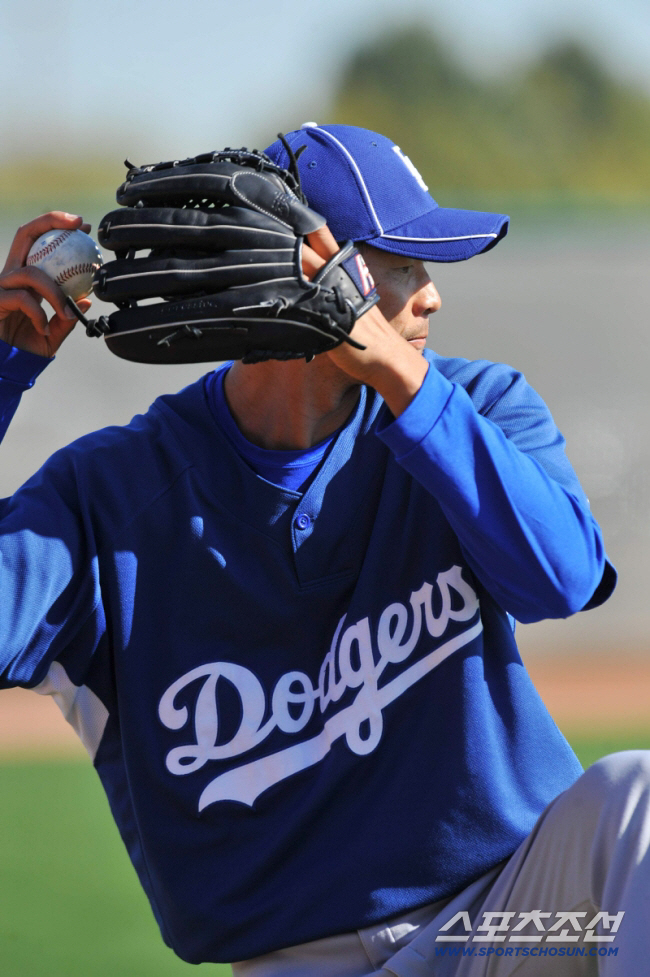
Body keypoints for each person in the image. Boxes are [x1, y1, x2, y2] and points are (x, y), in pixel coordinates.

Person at [0, 123, 647, 977]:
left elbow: (559, 578)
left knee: (636, 797)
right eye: (404, 262)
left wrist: (401, 379)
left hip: (506, 922)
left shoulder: (475, 406)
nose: (431, 296)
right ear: (304, 269)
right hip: (301, 961)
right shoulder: (112, 494)